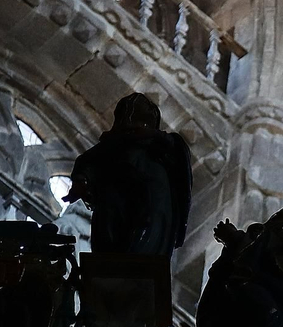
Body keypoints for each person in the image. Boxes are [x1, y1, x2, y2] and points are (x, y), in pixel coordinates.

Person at [65, 92, 192, 257]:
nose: (134, 127)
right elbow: (88, 161)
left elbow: (179, 154)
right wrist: (81, 181)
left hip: (152, 202)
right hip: (116, 200)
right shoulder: (114, 145)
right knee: (109, 231)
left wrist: (153, 135)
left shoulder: (161, 147)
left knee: (148, 236)